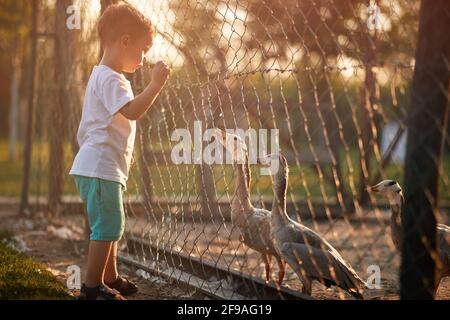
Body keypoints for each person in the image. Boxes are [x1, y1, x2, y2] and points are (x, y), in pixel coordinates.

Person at [69, 3, 170, 300]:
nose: (144, 58)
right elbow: (133, 111)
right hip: (99, 168)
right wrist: (156, 84)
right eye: (143, 49)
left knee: (110, 223)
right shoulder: (111, 78)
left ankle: (109, 277)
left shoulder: (102, 76)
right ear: (125, 41)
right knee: (109, 225)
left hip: (101, 168)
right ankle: (91, 287)